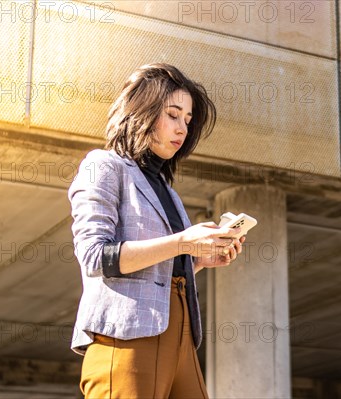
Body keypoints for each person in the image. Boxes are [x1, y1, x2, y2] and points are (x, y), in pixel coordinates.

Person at [68, 63, 244, 398]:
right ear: (142, 111)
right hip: (128, 337)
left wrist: (200, 259)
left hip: (181, 335)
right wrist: (182, 241)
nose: (182, 129)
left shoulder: (167, 189)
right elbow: (94, 256)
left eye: (188, 120)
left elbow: (159, 268)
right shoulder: (103, 166)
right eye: (173, 114)